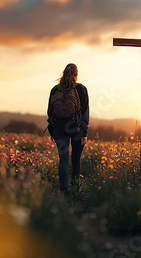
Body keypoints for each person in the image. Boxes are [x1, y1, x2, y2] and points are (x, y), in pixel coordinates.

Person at [47, 63, 89, 193]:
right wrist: (84, 132)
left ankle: (63, 189)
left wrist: (52, 131)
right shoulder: (81, 89)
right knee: (76, 158)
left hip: (59, 128)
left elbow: (50, 112)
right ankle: (76, 187)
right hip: (76, 128)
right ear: (76, 75)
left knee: (63, 160)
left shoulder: (55, 90)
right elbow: (85, 112)